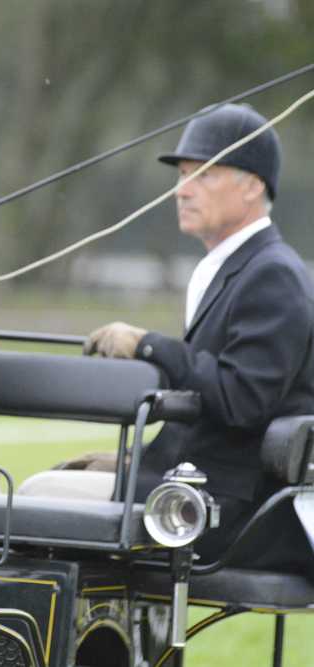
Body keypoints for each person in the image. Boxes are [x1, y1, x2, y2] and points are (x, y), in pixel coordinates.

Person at [83, 103, 314, 571]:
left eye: (204, 175)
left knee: (32, 497)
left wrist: (148, 344)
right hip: (201, 489)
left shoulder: (272, 273)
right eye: (182, 175)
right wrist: (130, 462)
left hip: (233, 510)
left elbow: (241, 400)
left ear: (252, 186)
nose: (182, 190)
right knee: (59, 482)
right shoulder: (238, 267)